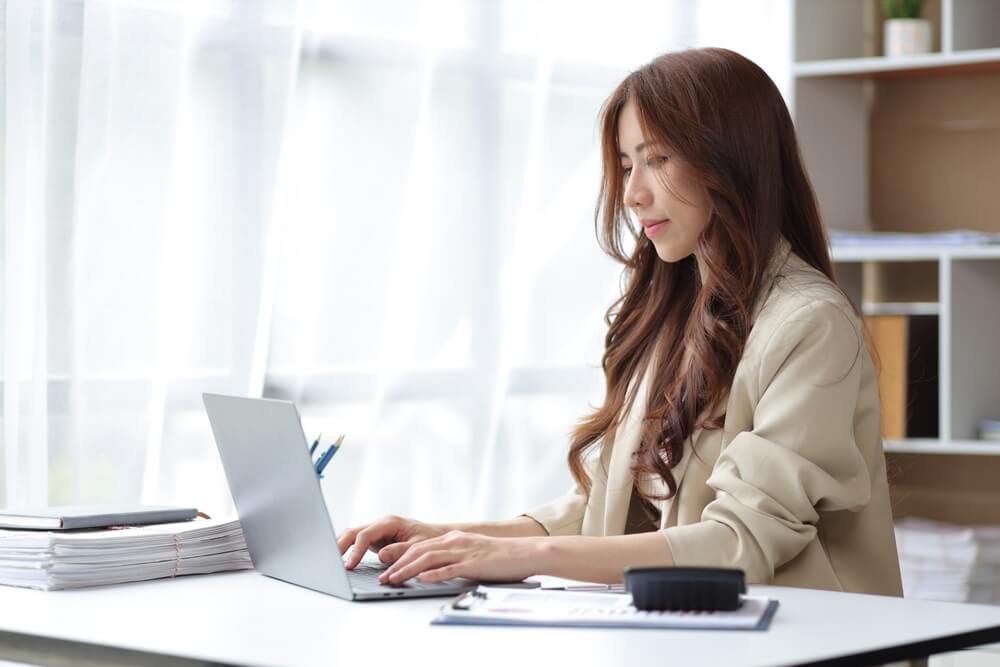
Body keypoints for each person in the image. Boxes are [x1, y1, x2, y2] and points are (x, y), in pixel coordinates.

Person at [337, 47, 903, 596]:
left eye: (657, 159)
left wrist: (525, 558)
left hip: (802, 644)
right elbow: (608, 511)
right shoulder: (672, 315)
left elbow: (741, 542)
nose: (633, 193)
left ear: (732, 158)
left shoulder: (810, 323)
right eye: (628, 165)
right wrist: (450, 537)